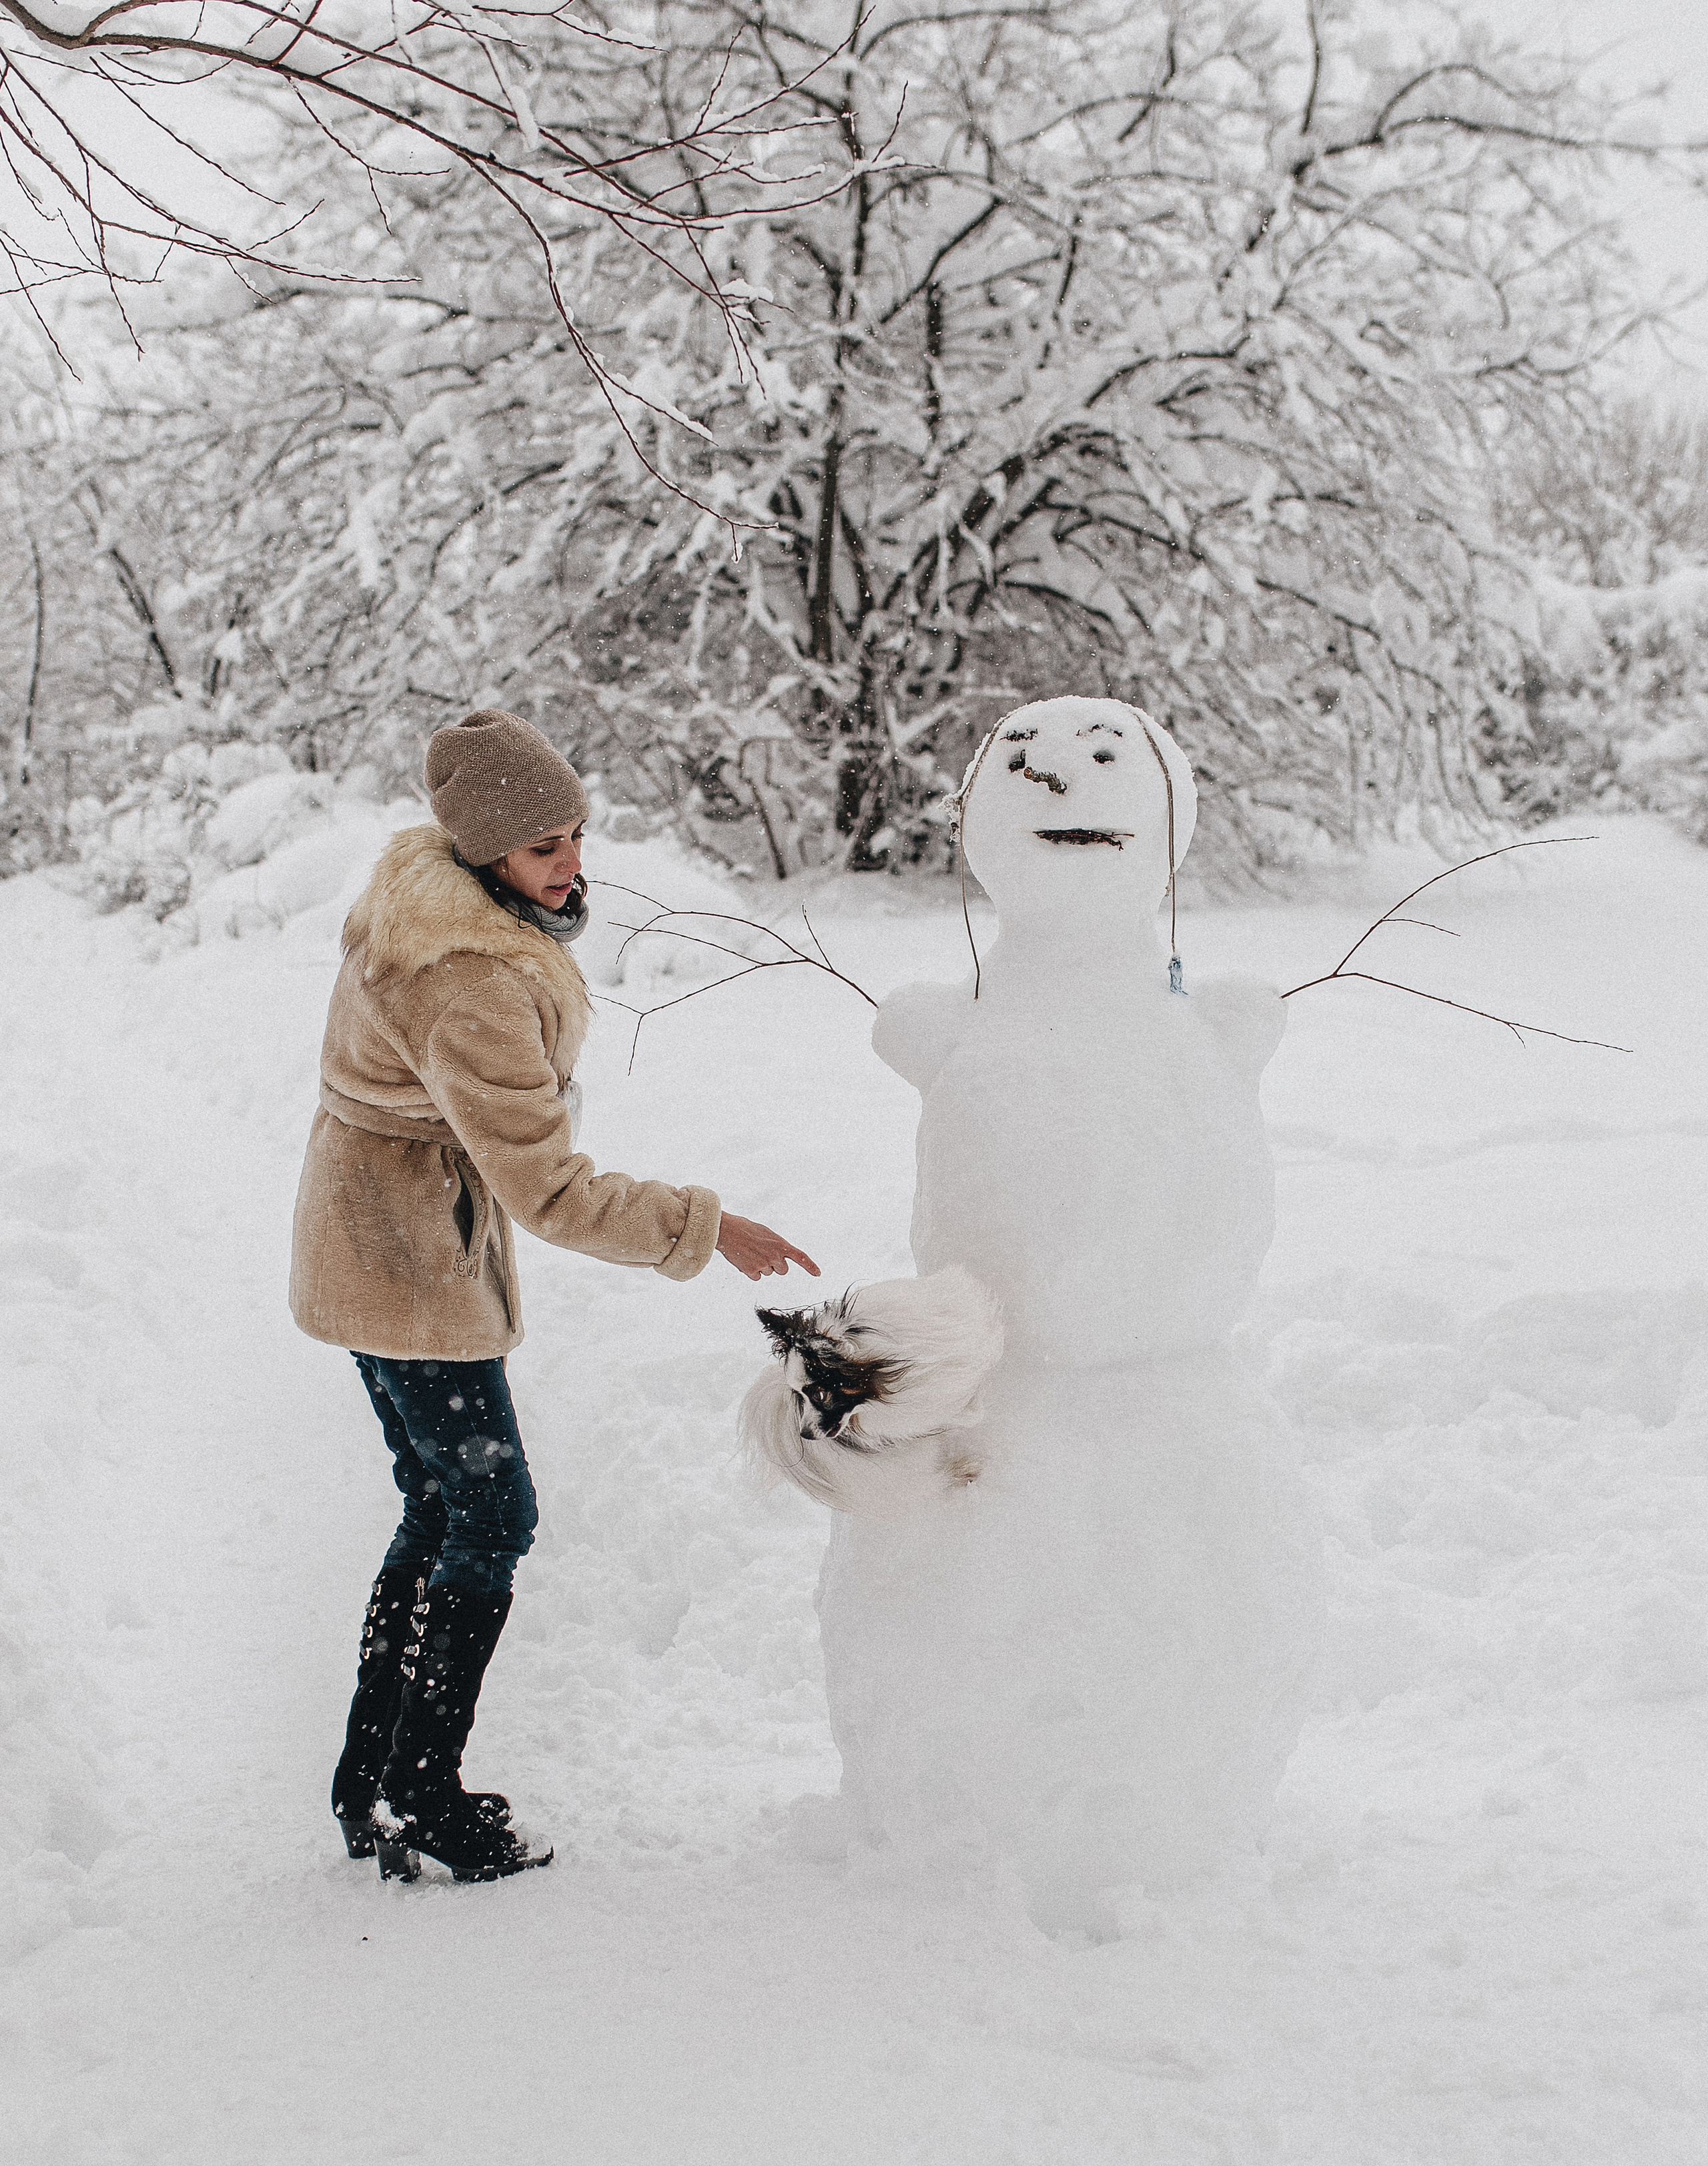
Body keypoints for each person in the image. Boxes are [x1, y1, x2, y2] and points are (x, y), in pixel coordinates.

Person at [289, 708, 817, 1882]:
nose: (572, 862)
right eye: (544, 848)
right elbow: (546, 1186)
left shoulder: (423, 908)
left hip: (371, 1242)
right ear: (484, 856)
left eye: (577, 833)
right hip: (411, 1270)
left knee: (439, 1504)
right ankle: (420, 1784)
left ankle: (370, 1774)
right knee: (491, 1513)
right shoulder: (470, 978)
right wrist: (704, 1225)